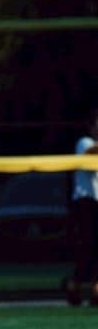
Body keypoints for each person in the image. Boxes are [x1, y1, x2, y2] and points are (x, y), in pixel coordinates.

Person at [64, 109, 98, 305]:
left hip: (96, 202)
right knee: (87, 247)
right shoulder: (83, 142)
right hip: (85, 203)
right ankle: (73, 286)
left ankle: (95, 290)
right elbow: (90, 153)